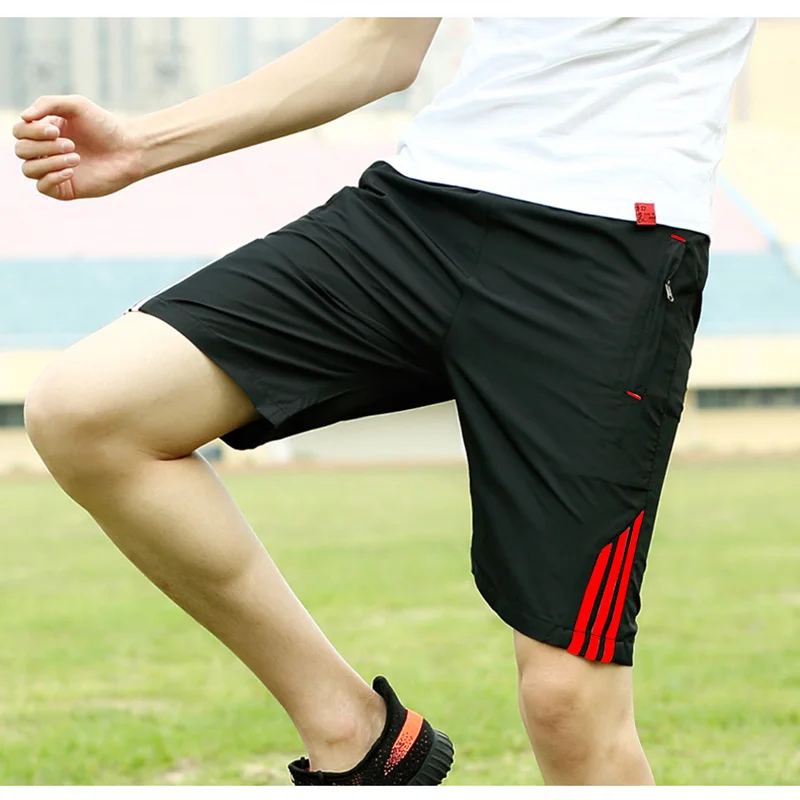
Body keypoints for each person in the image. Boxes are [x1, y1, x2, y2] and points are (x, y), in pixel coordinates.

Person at [13, 17, 756, 786]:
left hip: (608, 250)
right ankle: (353, 732)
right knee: (87, 410)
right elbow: (381, 44)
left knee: (568, 705)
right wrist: (141, 144)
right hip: (417, 211)